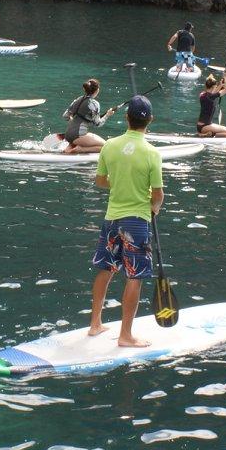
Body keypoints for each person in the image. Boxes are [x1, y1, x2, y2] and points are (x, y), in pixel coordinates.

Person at [87, 95, 166, 348]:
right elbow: (158, 195)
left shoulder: (109, 145)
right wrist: (155, 208)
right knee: (136, 276)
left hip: (112, 218)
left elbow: (100, 181)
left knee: (106, 268)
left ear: (126, 118)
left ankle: (95, 325)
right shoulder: (152, 152)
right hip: (137, 221)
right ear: (150, 120)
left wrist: (119, 184)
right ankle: (125, 336)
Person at [59, 79, 106, 153]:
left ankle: (69, 148)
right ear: (97, 90)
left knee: (87, 137)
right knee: (105, 146)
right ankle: (81, 149)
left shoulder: (78, 99)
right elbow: (98, 124)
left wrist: (73, 119)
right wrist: (107, 115)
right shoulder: (94, 104)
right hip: (79, 135)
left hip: (68, 134)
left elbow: (65, 116)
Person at [196, 73, 226, 138]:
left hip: (200, 126)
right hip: (205, 126)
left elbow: (213, 92)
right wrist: (225, 77)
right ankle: (206, 135)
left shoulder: (202, 94)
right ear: (213, 87)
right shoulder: (212, 96)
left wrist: (220, 85)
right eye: (215, 86)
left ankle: (206, 133)